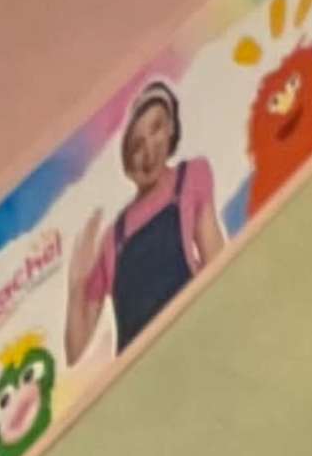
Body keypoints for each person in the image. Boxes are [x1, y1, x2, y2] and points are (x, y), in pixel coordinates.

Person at [65, 80, 219, 366]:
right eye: (136, 145)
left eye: (157, 128)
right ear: (126, 161)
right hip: (141, 369)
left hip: (194, 336)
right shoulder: (113, 239)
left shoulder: (190, 179)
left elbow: (218, 265)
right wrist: (76, 289)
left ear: (172, 127)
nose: (149, 151)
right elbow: (76, 352)